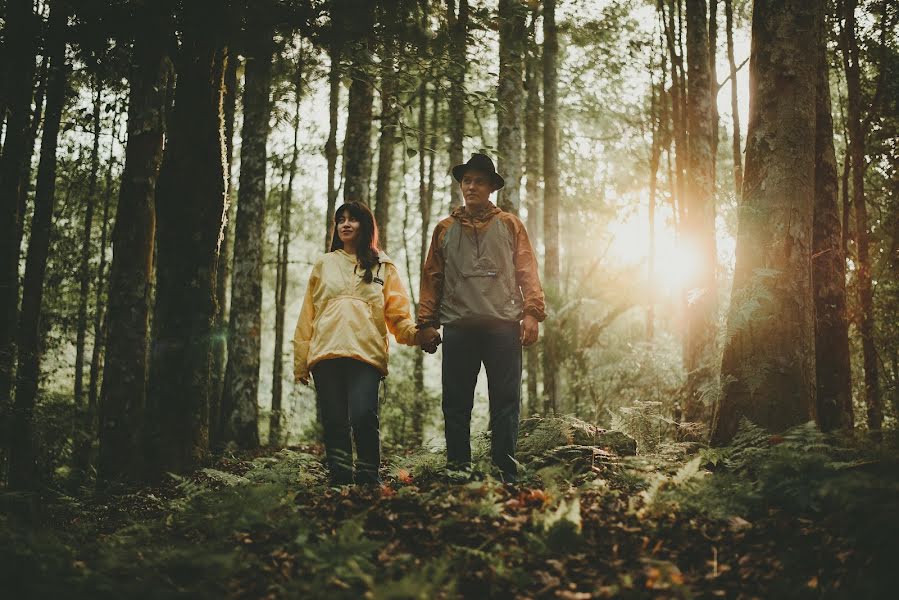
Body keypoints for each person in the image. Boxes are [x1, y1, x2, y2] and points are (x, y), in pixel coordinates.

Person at [418, 153, 545, 482]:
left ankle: (504, 472)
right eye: (467, 181)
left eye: (479, 181)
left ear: (491, 188)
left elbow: (527, 270)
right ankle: (458, 470)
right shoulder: (444, 229)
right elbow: (432, 276)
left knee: (506, 402)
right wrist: (426, 323)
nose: (471, 186)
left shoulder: (509, 225)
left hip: (503, 326)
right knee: (456, 404)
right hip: (458, 326)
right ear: (461, 185)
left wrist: (532, 313)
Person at [293, 201, 440, 485]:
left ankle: (368, 478)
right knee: (335, 423)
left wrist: (419, 334)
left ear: (366, 225)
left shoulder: (383, 266)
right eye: (341, 220)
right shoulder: (324, 264)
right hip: (326, 354)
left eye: (353, 219)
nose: (346, 224)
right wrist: (301, 362)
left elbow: (398, 317)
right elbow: (306, 316)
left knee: (363, 416)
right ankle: (339, 479)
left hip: (366, 355)